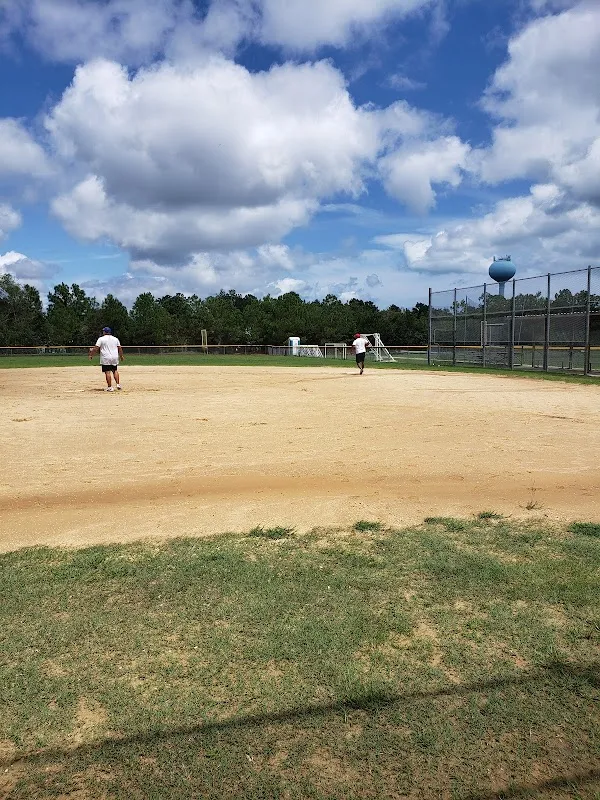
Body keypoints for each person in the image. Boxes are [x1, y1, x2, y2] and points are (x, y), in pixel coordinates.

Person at [89, 327, 124, 391]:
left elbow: (96, 347)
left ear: (104, 332)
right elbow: (119, 348)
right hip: (115, 356)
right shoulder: (115, 339)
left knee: (107, 372)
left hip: (106, 357)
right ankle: (118, 384)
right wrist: (121, 356)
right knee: (115, 370)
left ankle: (110, 387)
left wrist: (91, 355)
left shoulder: (101, 339)